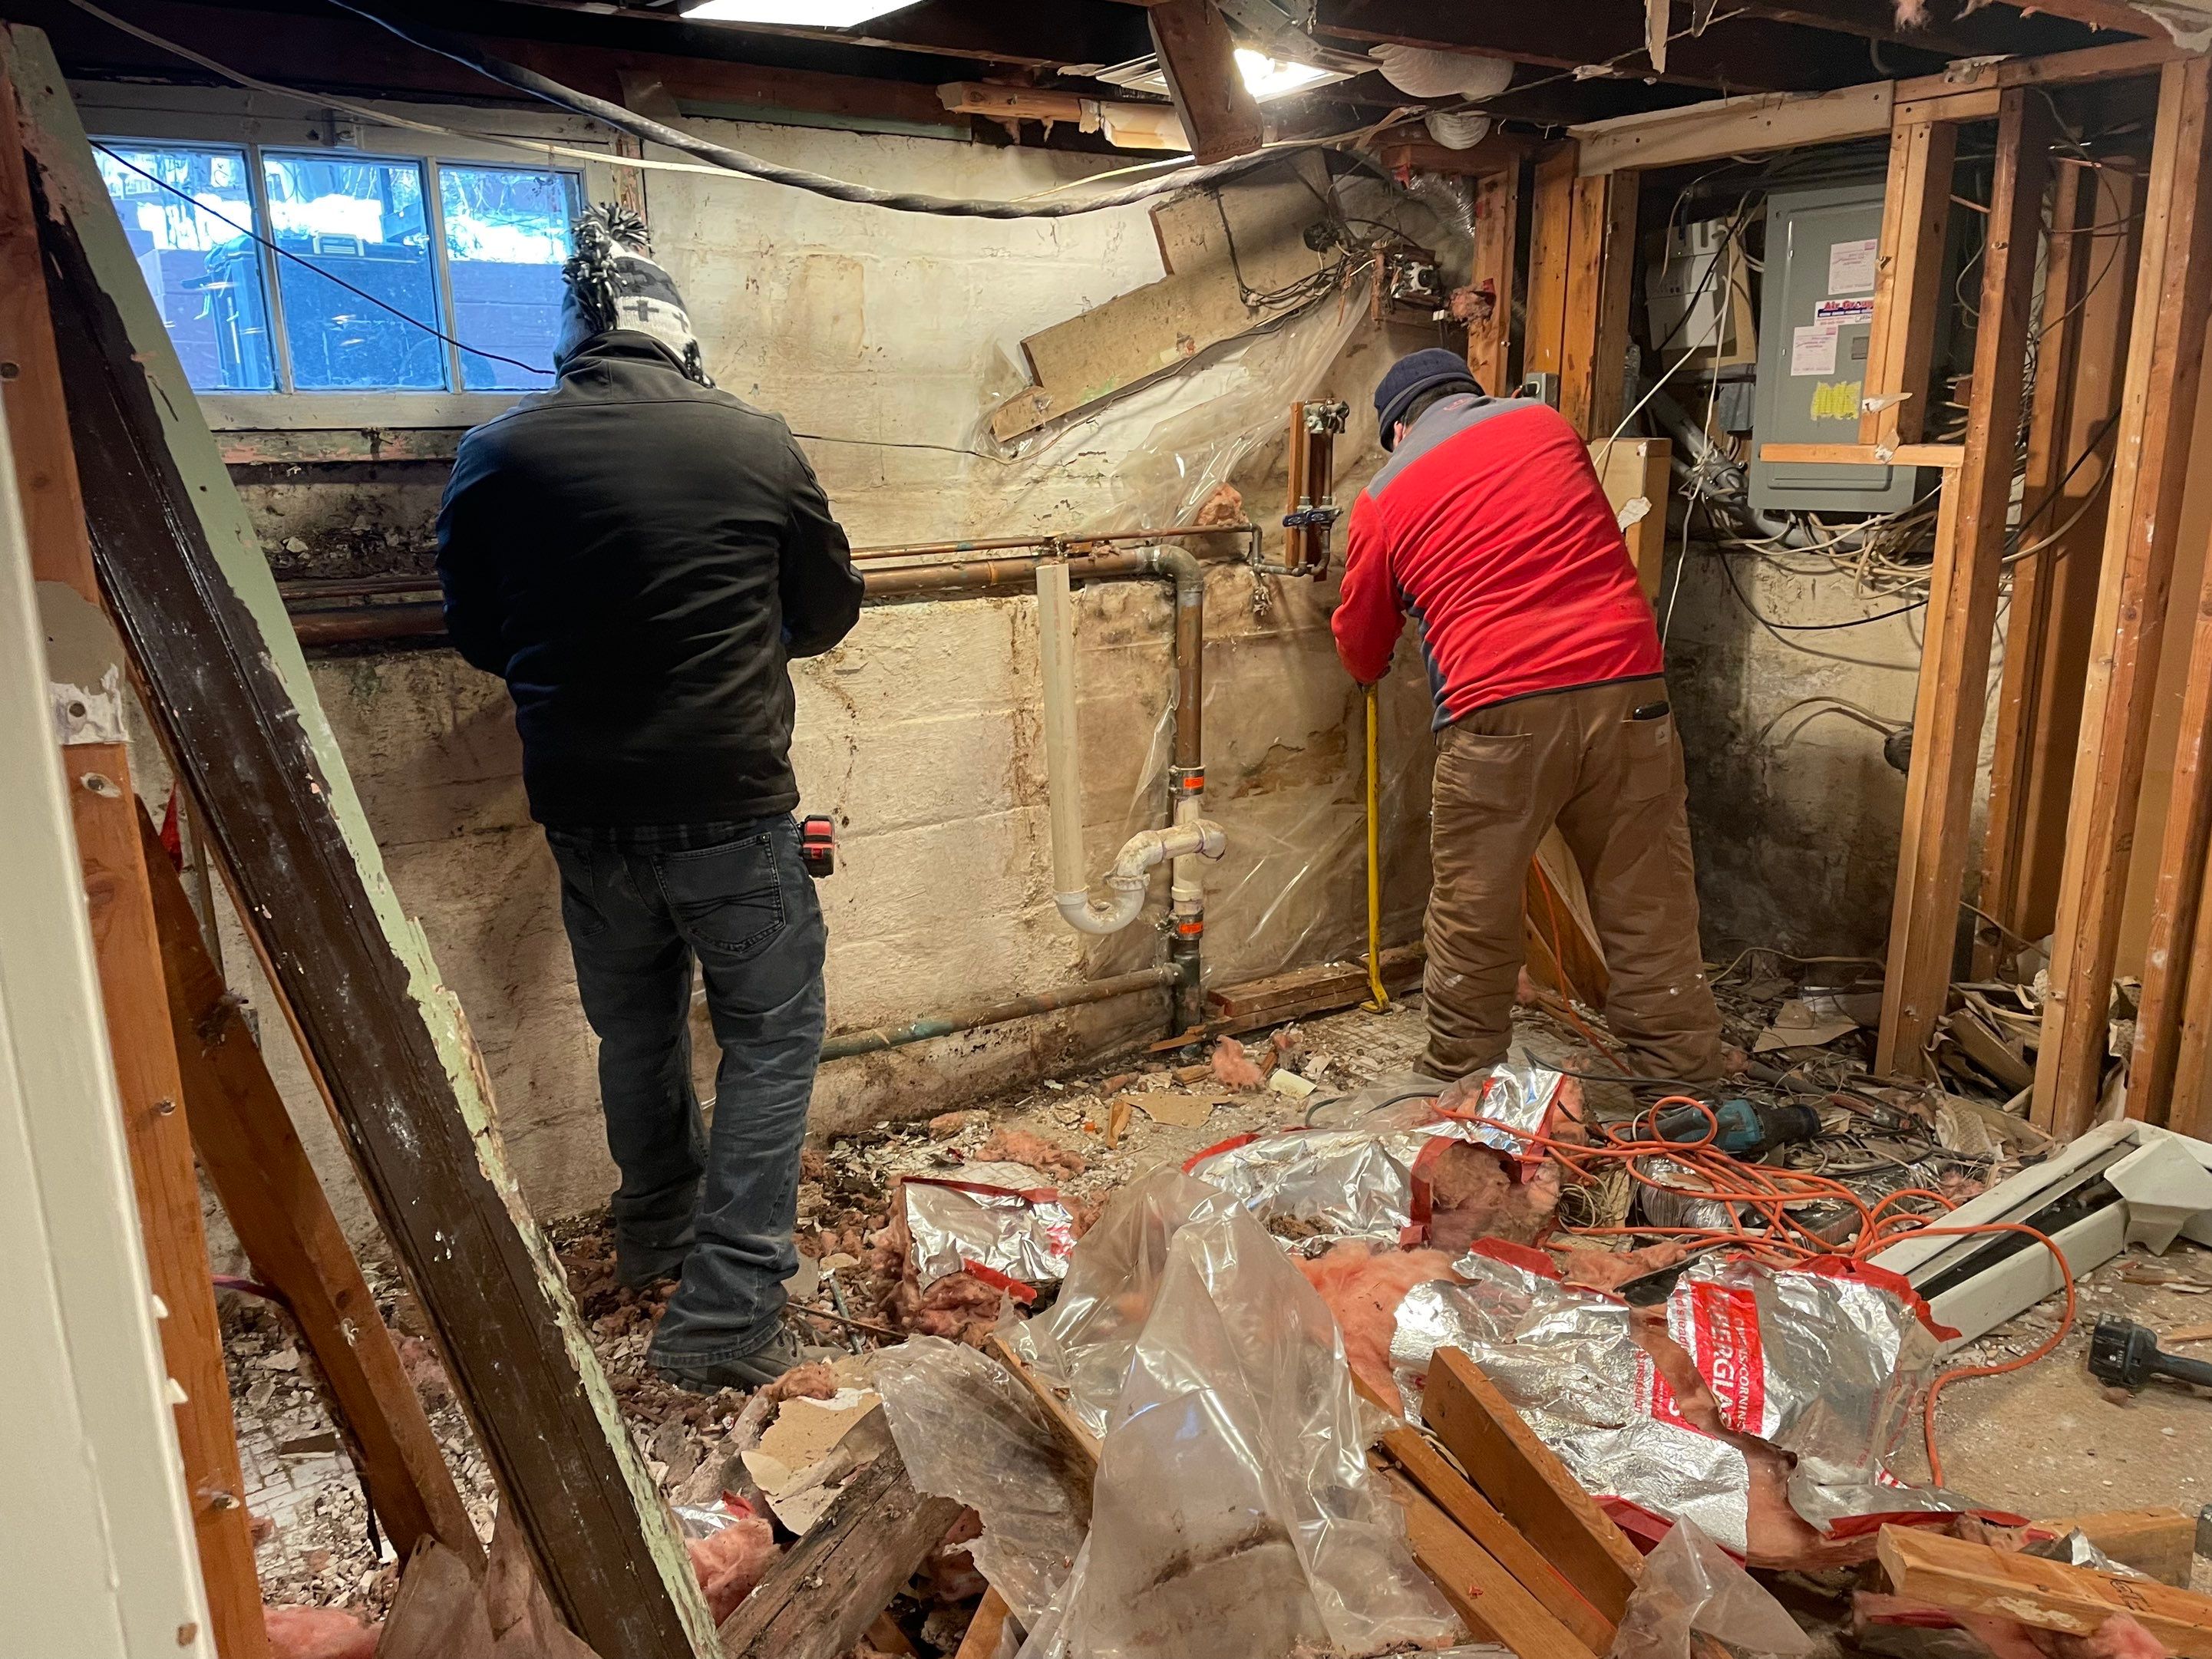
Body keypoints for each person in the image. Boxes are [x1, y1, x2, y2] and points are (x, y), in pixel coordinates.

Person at [437, 207, 863, 1388]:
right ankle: (724, 1319)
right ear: (678, 335)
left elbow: (476, 630)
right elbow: (828, 615)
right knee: (772, 1040)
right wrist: (735, 636)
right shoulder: (753, 439)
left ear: (572, 344)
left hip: (585, 813)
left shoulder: (497, 452)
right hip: (731, 804)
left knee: (633, 1032)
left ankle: (656, 1242)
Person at [1331, 348, 1723, 1086]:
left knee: (1474, 912)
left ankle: (1463, 1080)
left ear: (1395, 430)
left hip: (1497, 710)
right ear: (1472, 394)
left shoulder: (1384, 494)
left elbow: (1362, 641)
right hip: (1629, 687)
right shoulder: (1544, 423)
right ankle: (1683, 1088)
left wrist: (1371, 664)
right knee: (1649, 902)